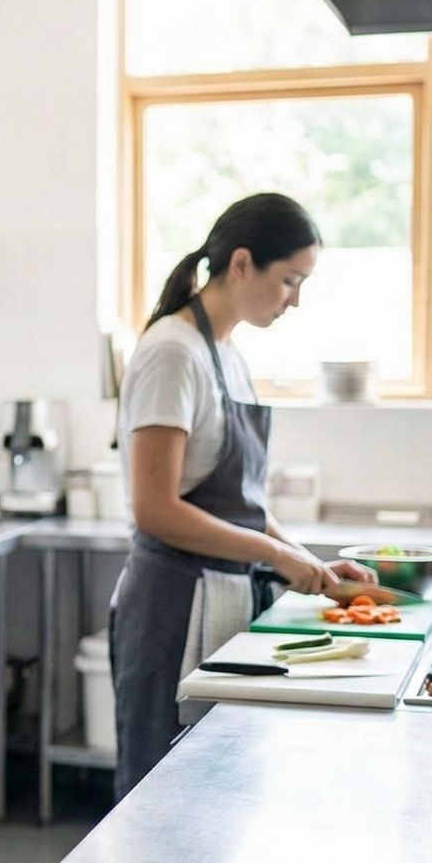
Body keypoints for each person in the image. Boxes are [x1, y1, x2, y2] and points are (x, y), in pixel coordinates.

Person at [108, 192, 375, 798]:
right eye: (289, 281)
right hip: (174, 604)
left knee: (212, 792)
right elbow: (154, 509)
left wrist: (306, 560)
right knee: (158, 793)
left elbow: (241, 500)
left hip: (221, 597)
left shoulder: (226, 354)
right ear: (242, 264)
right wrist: (275, 556)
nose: (295, 301)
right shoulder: (172, 352)